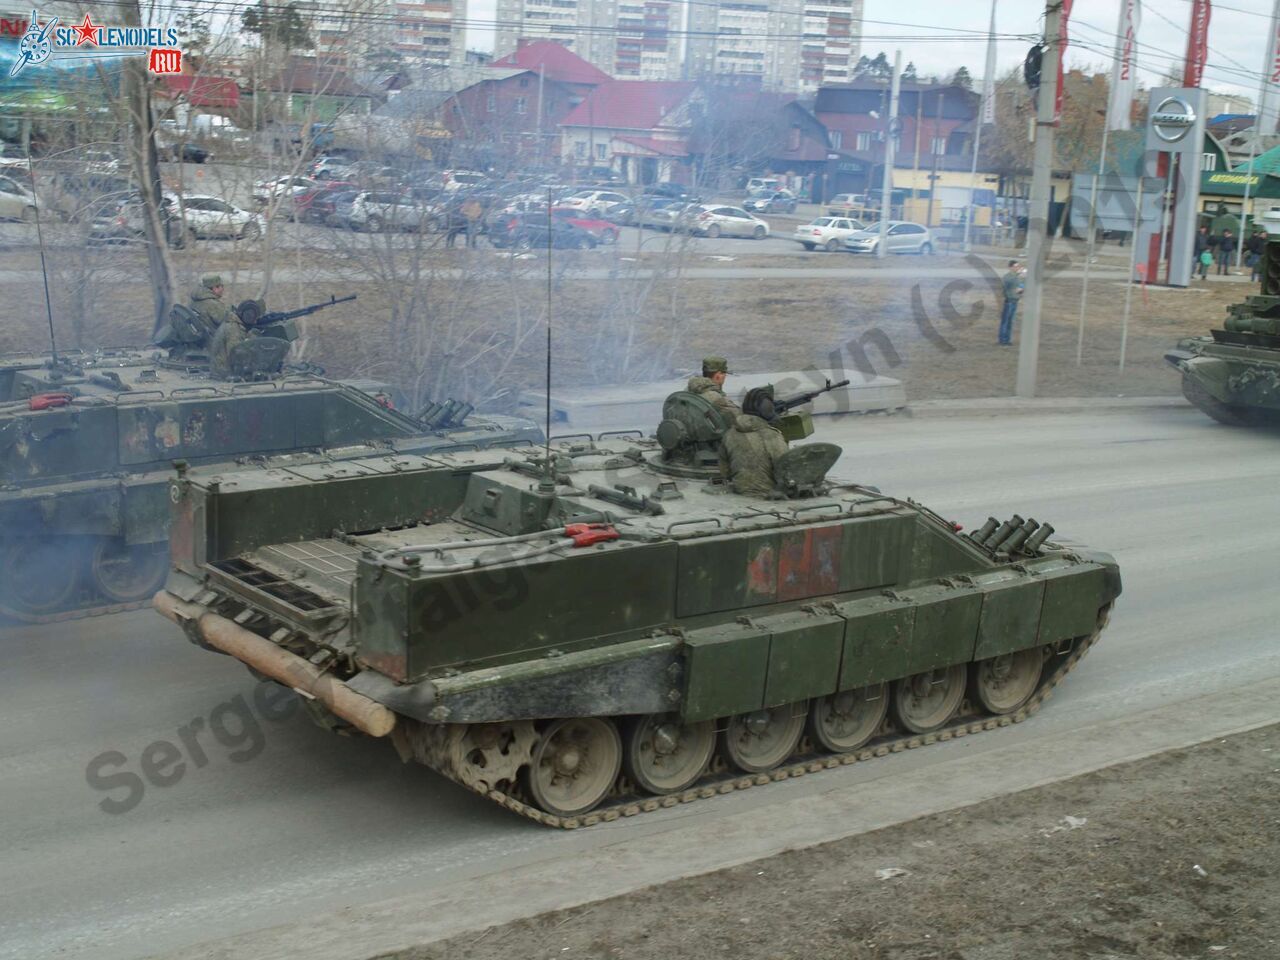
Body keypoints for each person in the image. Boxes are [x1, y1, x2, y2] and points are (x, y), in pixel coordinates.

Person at [719, 413, 788, 497]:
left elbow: (724, 470)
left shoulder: (728, 435)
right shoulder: (772, 435)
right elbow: (785, 465)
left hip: (741, 489)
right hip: (769, 490)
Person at [208, 302, 250, 379]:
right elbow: (235, 353)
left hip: (220, 368)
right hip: (224, 372)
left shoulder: (232, 323)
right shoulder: (233, 328)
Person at [189, 274, 232, 341]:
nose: (223, 289)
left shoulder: (193, 301)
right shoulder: (212, 304)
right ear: (215, 288)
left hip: (197, 339)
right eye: (222, 286)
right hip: (212, 342)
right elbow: (226, 322)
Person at [999, 260, 1024, 346]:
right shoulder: (1008, 277)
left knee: (1010, 322)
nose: (1017, 268)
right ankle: (1002, 340)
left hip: (1015, 301)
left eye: (1018, 266)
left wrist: (1021, 290)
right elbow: (1007, 286)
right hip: (1009, 302)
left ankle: (1007, 339)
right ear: (1010, 267)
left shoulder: (1018, 277)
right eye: (1015, 266)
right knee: (1005, 322)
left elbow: (1021, 287)